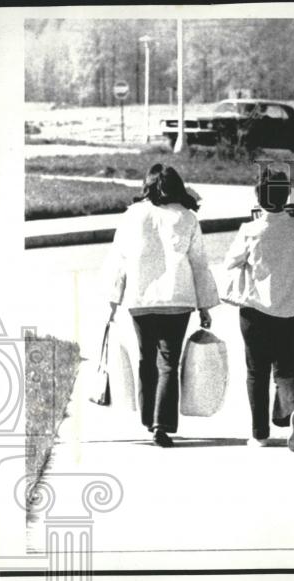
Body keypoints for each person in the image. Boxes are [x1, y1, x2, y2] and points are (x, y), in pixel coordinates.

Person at [107, 165, 218, 448]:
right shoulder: (187, 217)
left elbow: (119, 259)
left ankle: (148, 418)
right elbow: (199, 264)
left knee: (146, 359)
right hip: (177, 300)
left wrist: (113, 299)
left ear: (147, 186)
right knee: (168, 362)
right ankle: (162, 424)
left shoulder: (133, 215)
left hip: (140, 300)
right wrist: (205, 305)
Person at [223, 168, 294, 451]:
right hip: (293, 309)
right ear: (286, 196)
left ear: (258, 198)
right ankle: (292, 407)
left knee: (257, 372)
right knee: (286, 367)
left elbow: (230, 263)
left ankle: (259, 434)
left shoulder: (250, 230)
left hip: (256, 311)